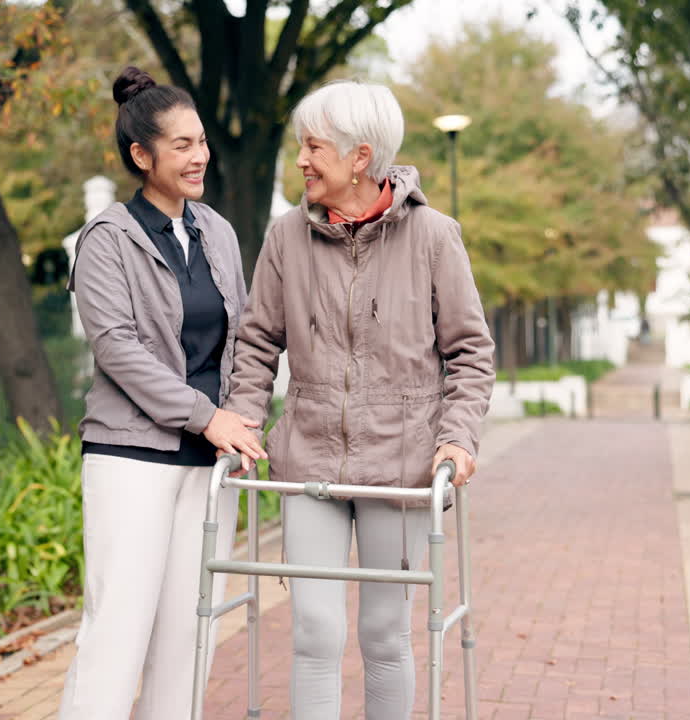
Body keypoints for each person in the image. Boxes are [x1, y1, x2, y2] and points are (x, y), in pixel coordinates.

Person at [220, 80, 495, 718]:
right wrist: (245, 419)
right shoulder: (286, 236)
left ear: (360, 157)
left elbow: (470, 352)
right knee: (315, 631)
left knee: (383, 634)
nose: (302, 162)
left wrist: (458, 437)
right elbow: (258, 339)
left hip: (400, 465)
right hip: (309, 455)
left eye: (313, 148)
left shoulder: (434, 236)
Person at [57, 66, 266, 720]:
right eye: (181, 145)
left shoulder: (220, 233)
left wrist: (240, 420)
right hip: (132, 459)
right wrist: (208, 416)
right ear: (141, 156)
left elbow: (244, 335)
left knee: (189, 637)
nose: (199, 155)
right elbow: (118, 349)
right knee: (117, 632)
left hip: (208, 466)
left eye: (201, 141)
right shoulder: (106, 240)